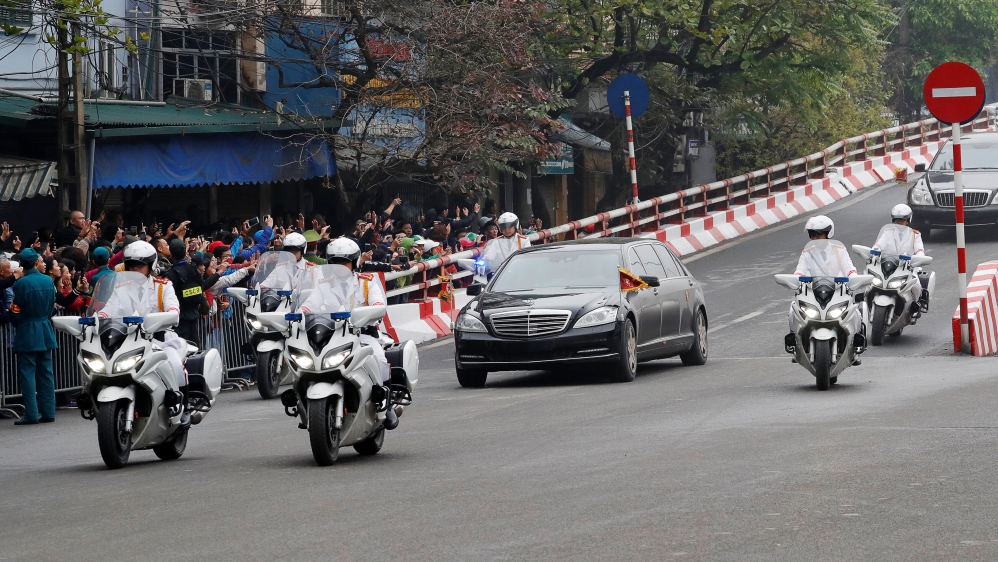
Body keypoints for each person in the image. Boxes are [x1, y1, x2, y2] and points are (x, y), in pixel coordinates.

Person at [301, 238, 398, 430]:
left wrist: (372, 312)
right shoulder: (323, 284)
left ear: (353, 262)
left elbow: (379, 305)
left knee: (378, 358)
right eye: (335, 262)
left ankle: (385, 405)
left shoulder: (366, 283)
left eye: (344, 262)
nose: (339, 266)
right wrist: (300, 314)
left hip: (362, 335)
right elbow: (310, 304)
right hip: (331, 336)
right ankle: (304, 403)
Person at [97, 241, 190, 425]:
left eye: (140, 265)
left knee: (175, 365)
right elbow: (110, 309)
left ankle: (183, 406)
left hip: (160, 341)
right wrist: (96, 319)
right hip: (129, 341)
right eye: (132, 265)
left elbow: (173, 308)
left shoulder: (163, 286)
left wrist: (170, 314)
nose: (135, 269)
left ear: (151, 265)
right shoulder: (121, 288)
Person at [790, 215, 862, 365]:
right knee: (792, 310)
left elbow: (849, 268)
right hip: (813, 291)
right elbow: (800, 270)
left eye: (819, 234)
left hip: (837, 290)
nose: (815, 238)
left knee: (856, 312)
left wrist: (853, 277)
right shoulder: (807, 251)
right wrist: (795, 280)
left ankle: (856, 348)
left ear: (828, 233)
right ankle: (795, 346)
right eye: (812, 234)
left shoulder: (839, 249)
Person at [9, 249, 57, 425]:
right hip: (45, 328)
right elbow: (52, 307)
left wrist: (20, 322)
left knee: (28, 374)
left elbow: (15, 310)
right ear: (36, 262)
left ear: (21, 264)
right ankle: (49, 411)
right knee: (46, 373)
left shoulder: (21, 284)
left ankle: (31, 413)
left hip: (27, 329)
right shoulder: (47, 280)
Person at [872, 203, 930, 312]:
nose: (899, 223)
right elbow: (879, 245)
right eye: (897, 220)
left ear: (908, 221)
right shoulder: (887, 232)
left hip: (908, 267)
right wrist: (874, 251)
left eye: (902, 221)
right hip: (889, 265)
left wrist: (919, 258)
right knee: (871, 281)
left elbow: (920, 250)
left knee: (916, 284)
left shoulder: (915, 235)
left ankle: (917, 305)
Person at [164, 238, 206, 345]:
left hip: (180, 319)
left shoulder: (171, 275)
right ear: (184, 252)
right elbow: (202, 285)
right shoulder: (194, 269)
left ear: (171, 253)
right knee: (195, 348)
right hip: (194, 316)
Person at [480, 212, 530, 276]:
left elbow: (527, 257)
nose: (506, 229)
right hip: (502, 273)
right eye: (504, 227)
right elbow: (490, 254)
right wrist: (484, 259)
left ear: (515, 226)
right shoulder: (496, 241)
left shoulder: (524, 240)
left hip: (520, 272)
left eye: (509, 227)